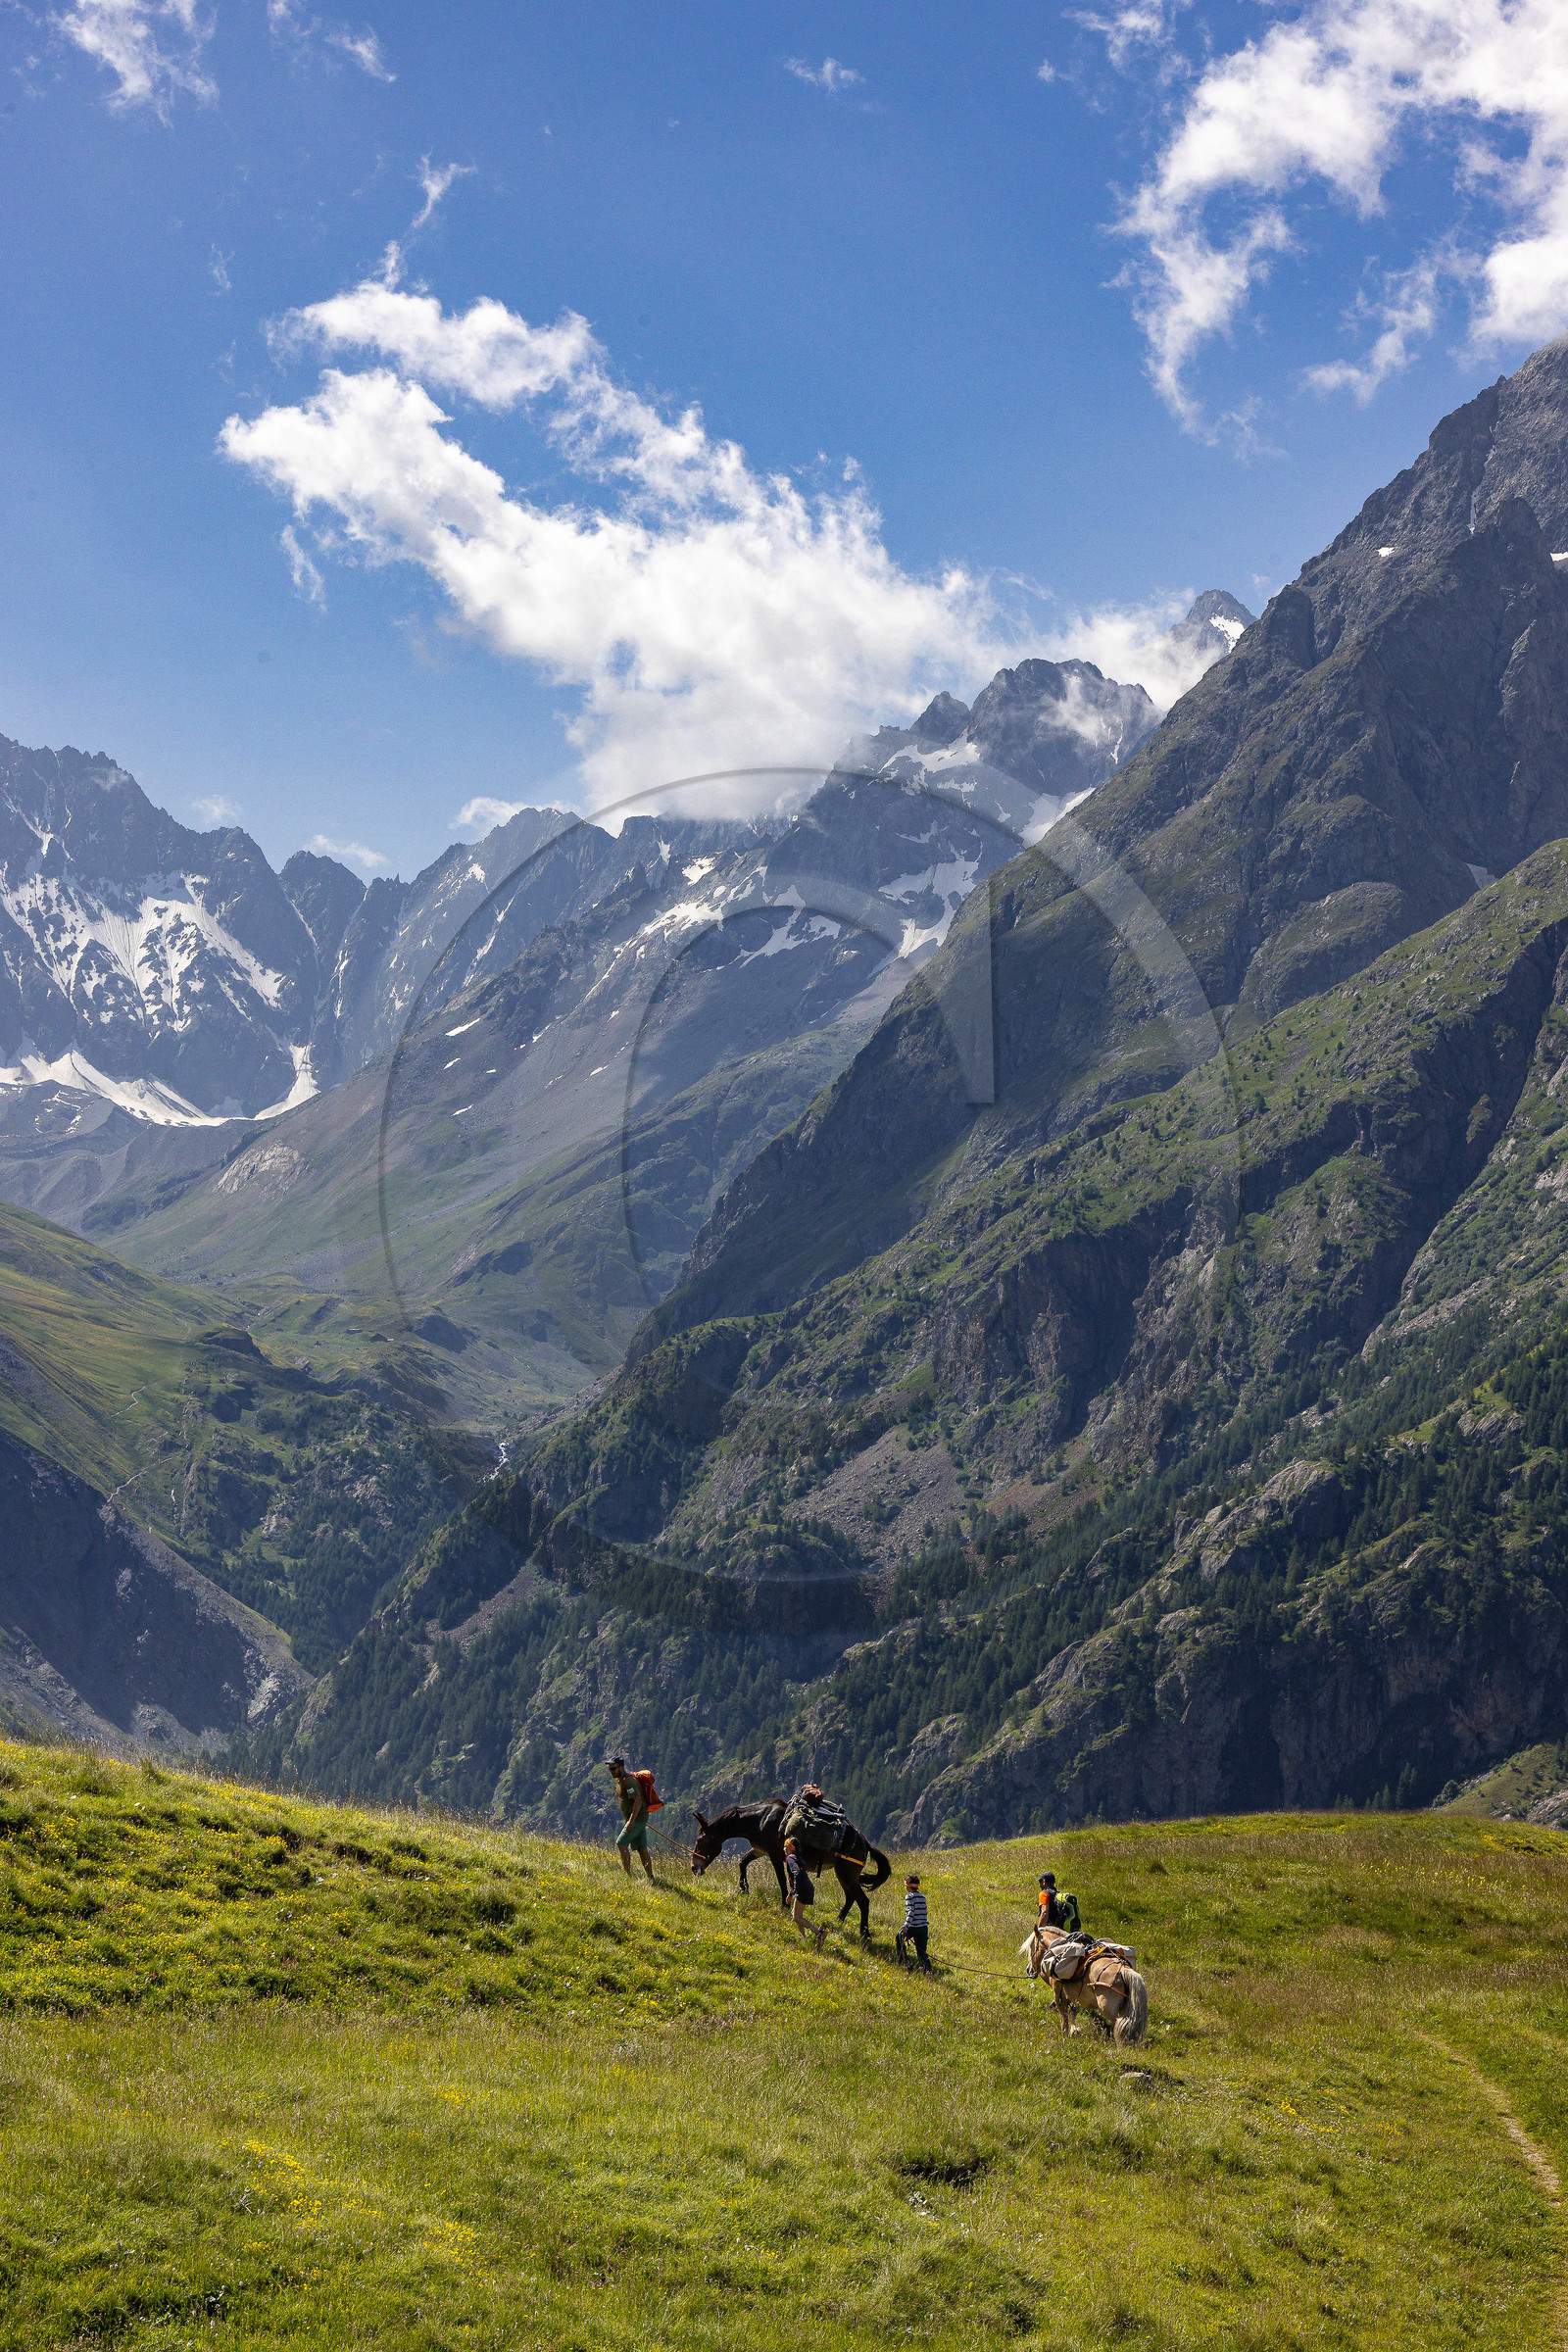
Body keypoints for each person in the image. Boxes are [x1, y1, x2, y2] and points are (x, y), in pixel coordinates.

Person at [608, 1755, 655, 1881]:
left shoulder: (629, 1781)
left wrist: (631, 1822)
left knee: (621, 1843)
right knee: (641, 1848)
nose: (611, 1771)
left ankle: (628, 1877)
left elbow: (638, 1801)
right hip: (637, 1818)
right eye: (610, 1769)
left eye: (613, 1768)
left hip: (637, 1819)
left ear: (621, 1768)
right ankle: (650, 1877)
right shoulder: (620, 1780)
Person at [784, 1837, 827, 1949]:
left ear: (792, 1848)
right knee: (796, 1915)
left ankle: (819, 1933)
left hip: (802, 1889)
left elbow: (796, 1874)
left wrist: (791, 1893)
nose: (784, 1849)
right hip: (805, 1888)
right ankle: (804, 1940)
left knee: (796, 1917)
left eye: (786, 1846)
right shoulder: (797, 1857)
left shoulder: (790, 1858)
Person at [896, 1874, 931, 1971]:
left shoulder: (909, 1896)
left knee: (899, 1937)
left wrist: (906, 1925)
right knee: (922, 1952)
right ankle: (928, 1970)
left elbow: (910, 1912)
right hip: (924, 1927)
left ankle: (903, 1962)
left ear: (908, 1885)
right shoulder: (922, 1896)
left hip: (914, 1926)